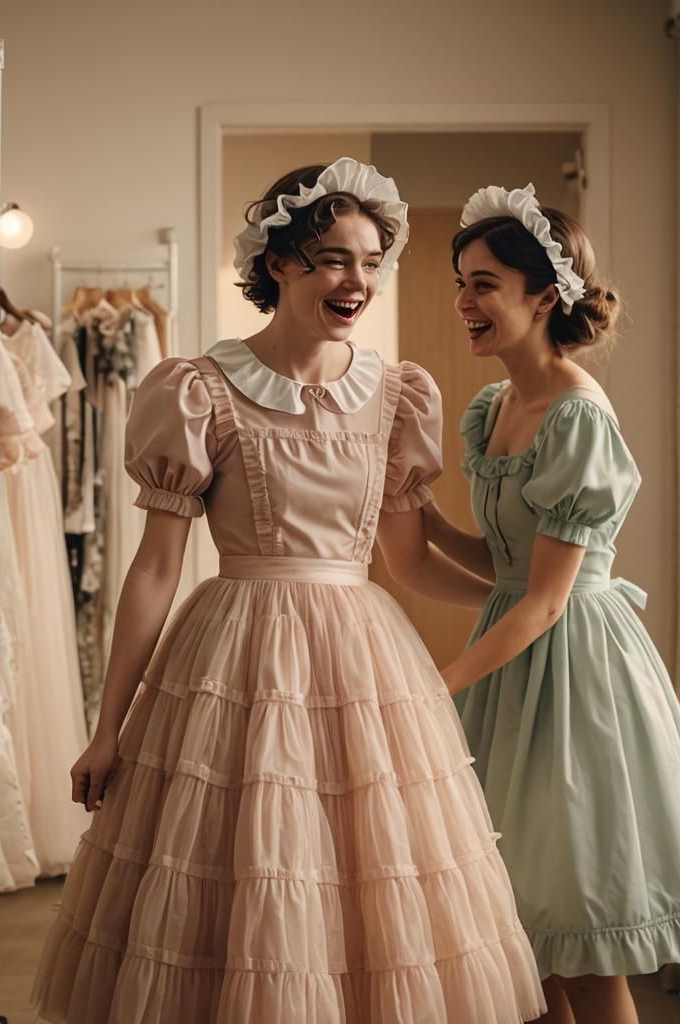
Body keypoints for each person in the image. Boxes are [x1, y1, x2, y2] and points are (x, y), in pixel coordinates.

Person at [32, 158, 546, 1023]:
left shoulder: (396, 394)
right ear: (279, 263)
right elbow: (156, 567)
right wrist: (106, 727)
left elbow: (411, 562)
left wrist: (539, 590)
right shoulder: (198, 389)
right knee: (233, 894)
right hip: (232, 655)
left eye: (373, 261)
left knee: (367, 898)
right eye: (337, 259)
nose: (360, 281)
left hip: (363, 666)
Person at [423, 183, 680, 1024]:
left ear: (543, 294)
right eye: (462, 282)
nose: (464, 301)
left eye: (484, 283)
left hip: (574, 676)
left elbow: (548, 601)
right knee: (528, 948)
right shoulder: (492, 408)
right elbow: (504, 568)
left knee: (584, 951)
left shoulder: (576, 417)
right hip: (513, 665)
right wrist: (416, 517)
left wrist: (437, 685)